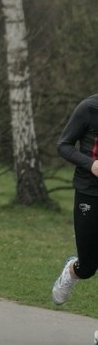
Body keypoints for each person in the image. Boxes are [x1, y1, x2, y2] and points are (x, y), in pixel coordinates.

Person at [51, 90, 98, 327]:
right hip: (89, 192)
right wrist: (91, 165)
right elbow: (64, 145)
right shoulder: (89, 108)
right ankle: (73, 269)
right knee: (89, 267)